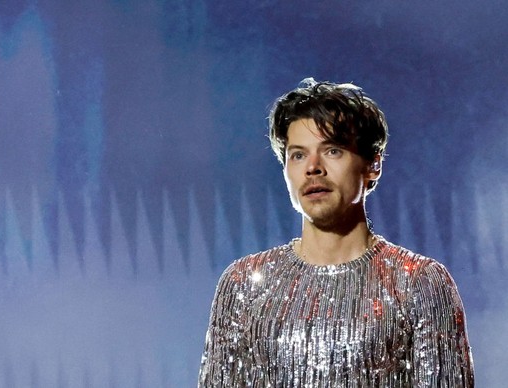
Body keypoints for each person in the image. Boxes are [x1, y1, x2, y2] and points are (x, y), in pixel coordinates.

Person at [198, 78, 474, 387]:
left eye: (332, 150)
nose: (312, 168)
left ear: (372, 166)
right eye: (298, 155)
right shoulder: (244, 283)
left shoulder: (420, 283)